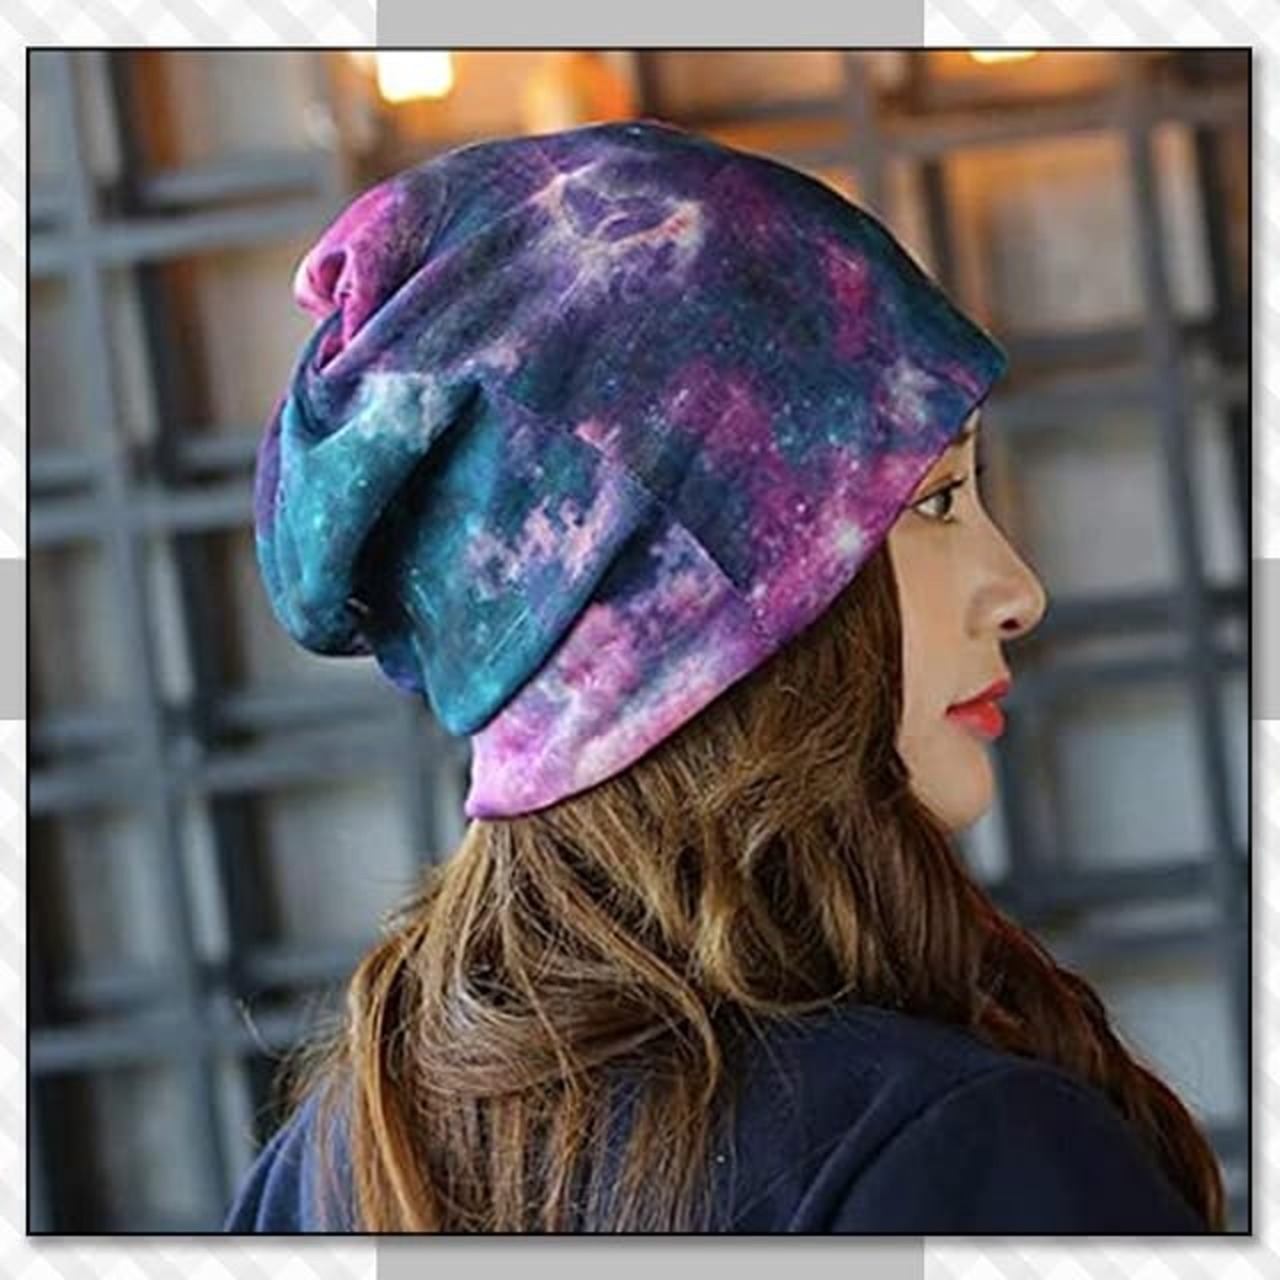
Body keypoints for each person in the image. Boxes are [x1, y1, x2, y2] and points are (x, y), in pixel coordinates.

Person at [225, 118, 1225, 1233]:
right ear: (675, 616)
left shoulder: (323, 1171)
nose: (1018, 591)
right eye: (935, 501)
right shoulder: (958, 1153)